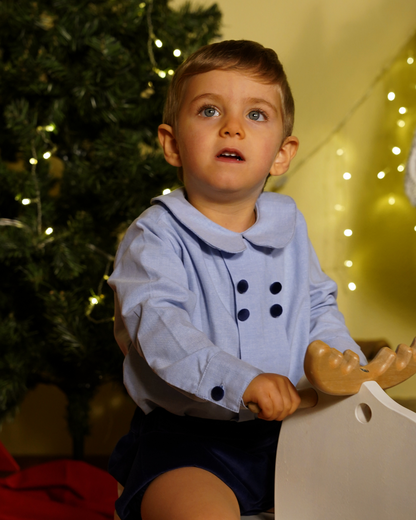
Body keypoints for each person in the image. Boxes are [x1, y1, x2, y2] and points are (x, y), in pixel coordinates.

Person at [107, 40, 366, 520]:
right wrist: (242, 380)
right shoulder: (155, 235)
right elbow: (161, 329)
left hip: (294, 433)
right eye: (209, 110)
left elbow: (316, 307)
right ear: (171, 143)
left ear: (282, 155)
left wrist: (342, 359)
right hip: (191, 445)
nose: (232, 127)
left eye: (257, 115)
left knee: (366, 495)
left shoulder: (288, 225)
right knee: (196, 510)